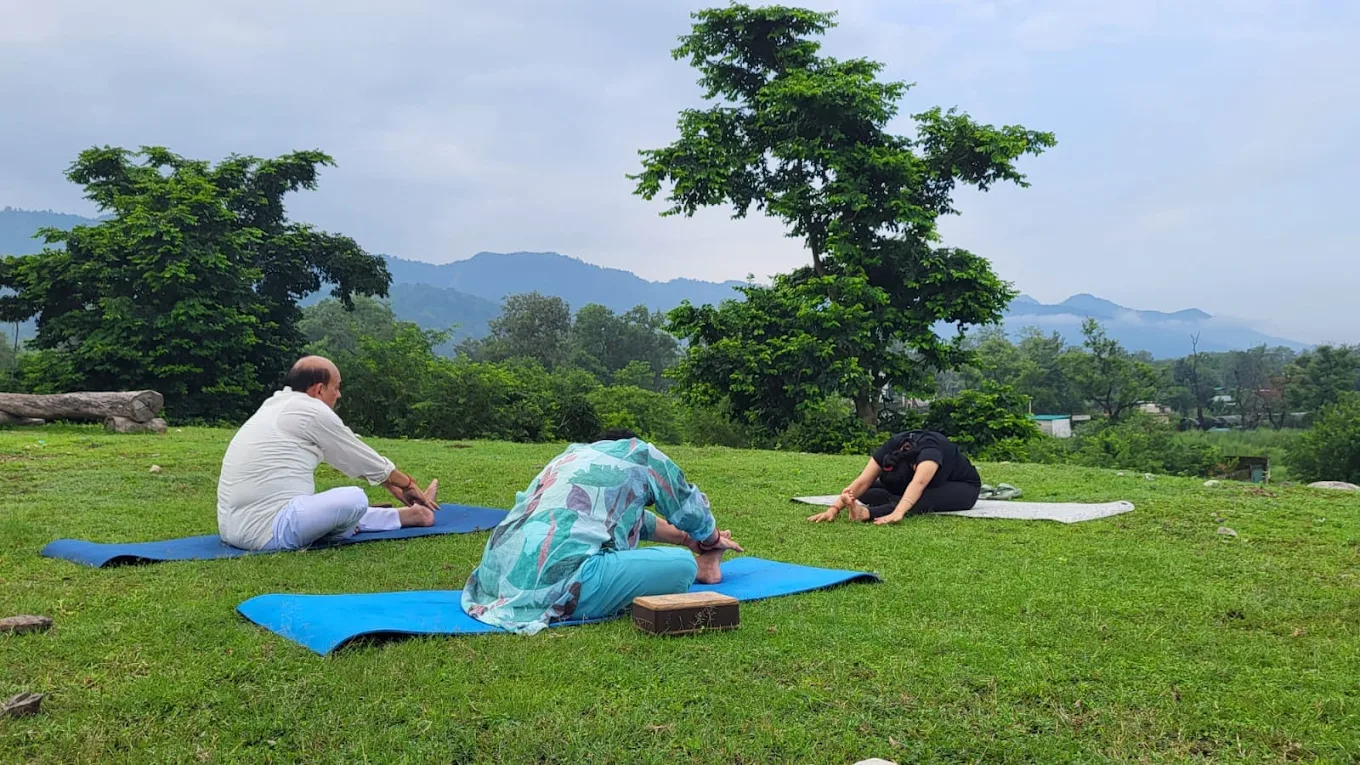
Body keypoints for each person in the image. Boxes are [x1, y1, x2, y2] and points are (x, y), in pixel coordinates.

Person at [462, 429, 744, 635]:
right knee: (681, 565)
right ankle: (702, 568)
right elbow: (689, 509)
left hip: (491, 582)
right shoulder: (641, 455)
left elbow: (624, 516)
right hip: (553, 588)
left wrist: (685, 538)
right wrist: (711, 538)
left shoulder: (570, 457)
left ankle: (697, 559)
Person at [216, 356, 441, 551]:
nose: (339, 394)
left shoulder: (276, 404)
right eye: (336, 387)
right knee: (355, 498)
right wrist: (408, 484)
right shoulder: (311, 411)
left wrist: (390, 484)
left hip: (232, 529)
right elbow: (356, 453)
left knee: (337, 504)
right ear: (319, 389)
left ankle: (411, 515)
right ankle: (343, 527)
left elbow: (345, 457)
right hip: (271, 531)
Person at [808, 429, 981, 525]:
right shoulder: (893, 446)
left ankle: (866, 513)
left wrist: (898, 512)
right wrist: (834, 509)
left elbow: (919, 483)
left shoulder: (929, 454)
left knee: (917, 499)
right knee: (867, 491)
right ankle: (895, 499)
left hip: (963, 487)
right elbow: (863, 481)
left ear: (914, 467)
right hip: (914, 483)